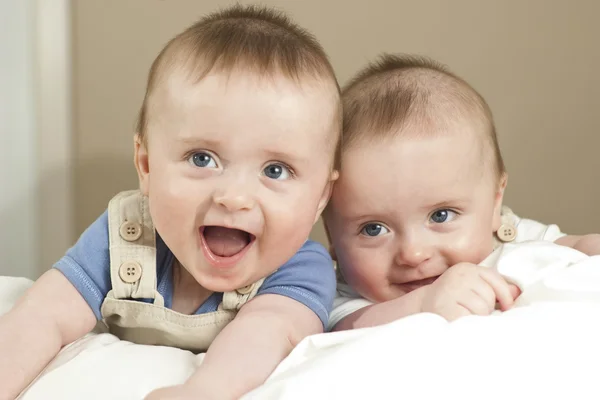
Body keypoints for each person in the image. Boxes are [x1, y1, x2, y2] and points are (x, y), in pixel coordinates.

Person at [0, 5, 342, 399]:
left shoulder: (300, 266)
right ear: (146, 165)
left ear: (320, 196)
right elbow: (45, 313)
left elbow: (265, 332)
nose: (234, 197)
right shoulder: (127, 234)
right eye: (202, 159)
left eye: (276, 170)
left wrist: (205, 391)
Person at [323, 53, 600, 331]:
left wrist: (589, 245)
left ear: (495, 204)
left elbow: (574, 246)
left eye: (441, 215)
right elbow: (340, 328)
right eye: (373, 229)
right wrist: (420, 304)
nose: (413, 253)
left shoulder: (512, 239)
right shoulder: (347, 295)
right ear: (331, 235)